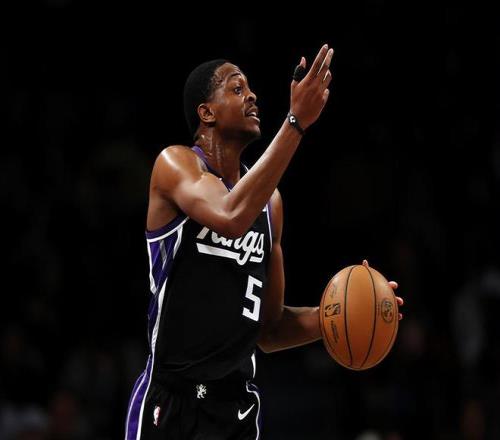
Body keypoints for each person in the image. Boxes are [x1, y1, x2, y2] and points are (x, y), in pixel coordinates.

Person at [125, 44, 403, 439]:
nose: (252, 95)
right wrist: (295, 123)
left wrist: (341, 314)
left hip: (235, 408)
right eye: (236, 88)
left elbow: (268, 330)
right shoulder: (175, 165)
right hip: (171, 402)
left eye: (250, 88)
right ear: (206, 113)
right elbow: (230, 215)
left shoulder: (271, 204)